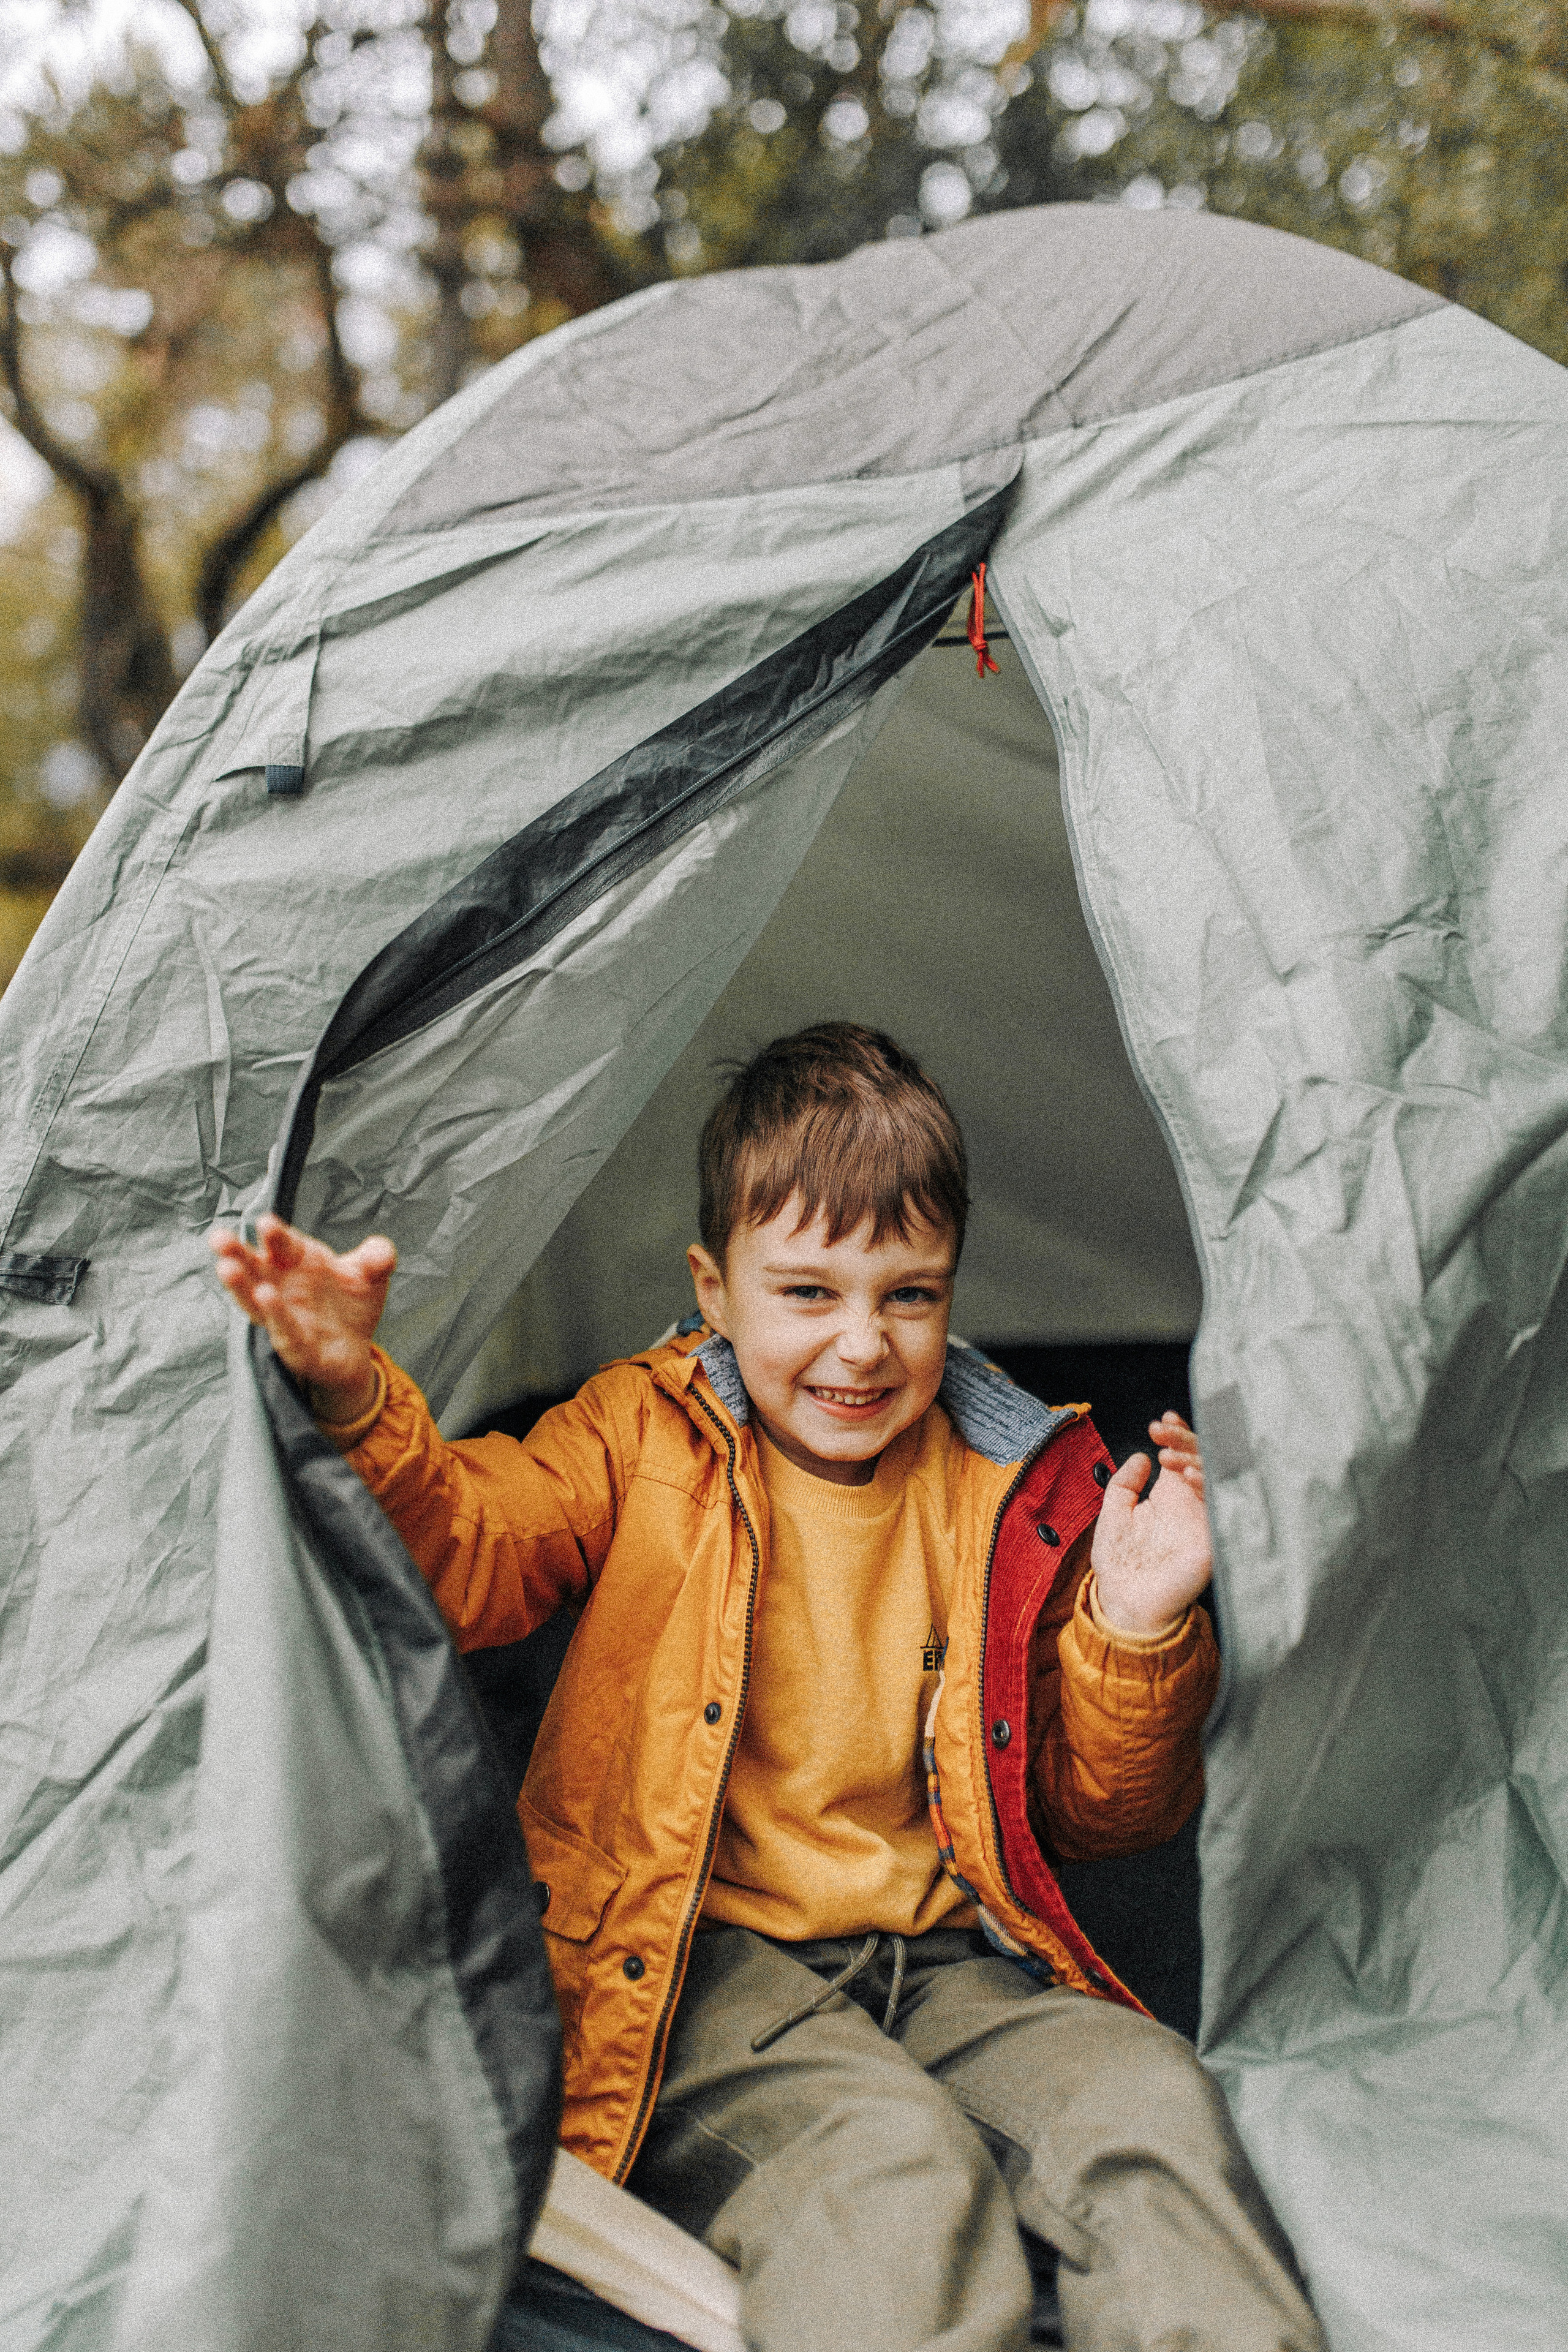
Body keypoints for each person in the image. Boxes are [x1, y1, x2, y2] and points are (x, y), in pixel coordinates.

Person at [211, 1022, 1322, 2352]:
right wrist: (352, 1392)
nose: (861, 1346)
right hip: (689, 1968)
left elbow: (1103, 1818)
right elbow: (469, 1550)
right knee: (891, 2170)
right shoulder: (639, 1431)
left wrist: (1135, 1624)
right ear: (714, 1287)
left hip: (942, 1961)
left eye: (908, 1296)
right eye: (807, 1294)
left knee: (1153, 2110)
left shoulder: (1010, 1481)